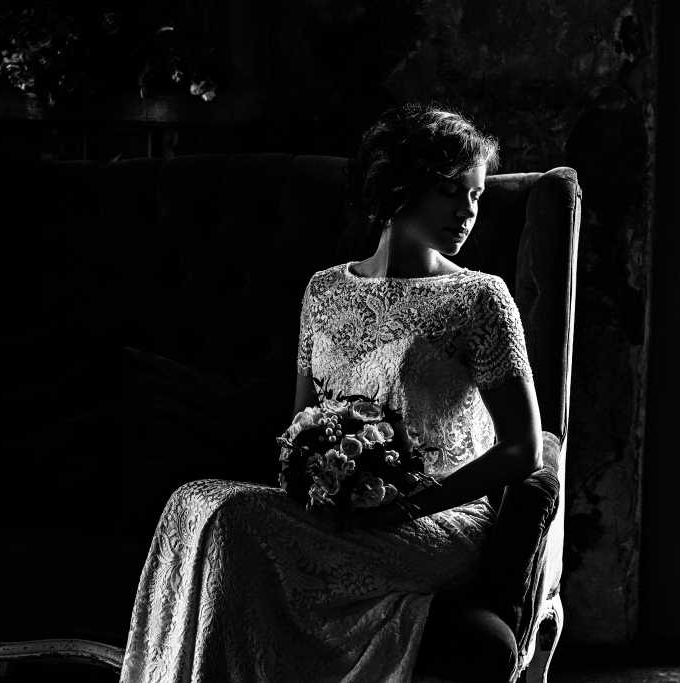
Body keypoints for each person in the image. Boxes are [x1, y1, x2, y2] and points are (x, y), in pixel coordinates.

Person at [119, 103, 546, 683]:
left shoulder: (480, 299)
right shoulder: (324, 291)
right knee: (193, 501)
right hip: (344, 514)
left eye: (477, 195)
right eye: (451, 191)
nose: (468, 211)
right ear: (401, 186)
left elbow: (524, 450)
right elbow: (301, 426)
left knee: (236, 520)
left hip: (438, 520)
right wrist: (322, 483)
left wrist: (407, 505)